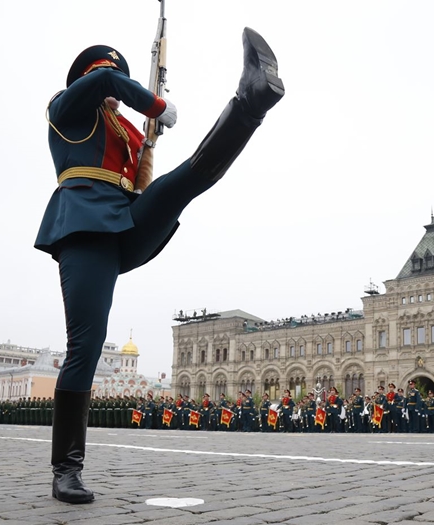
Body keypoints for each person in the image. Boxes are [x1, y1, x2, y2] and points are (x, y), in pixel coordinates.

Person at [37, 28, 284, 503]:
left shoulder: (126, 133)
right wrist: (153, 105)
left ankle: (251, 101)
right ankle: (66, 469)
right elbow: (103, 82)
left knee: (186, 181)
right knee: (85, 347)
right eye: (103, 75)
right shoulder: (64, 108)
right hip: (84, 229)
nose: (108, 84)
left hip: (123, 221)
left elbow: (137, 184)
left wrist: (146, 150)